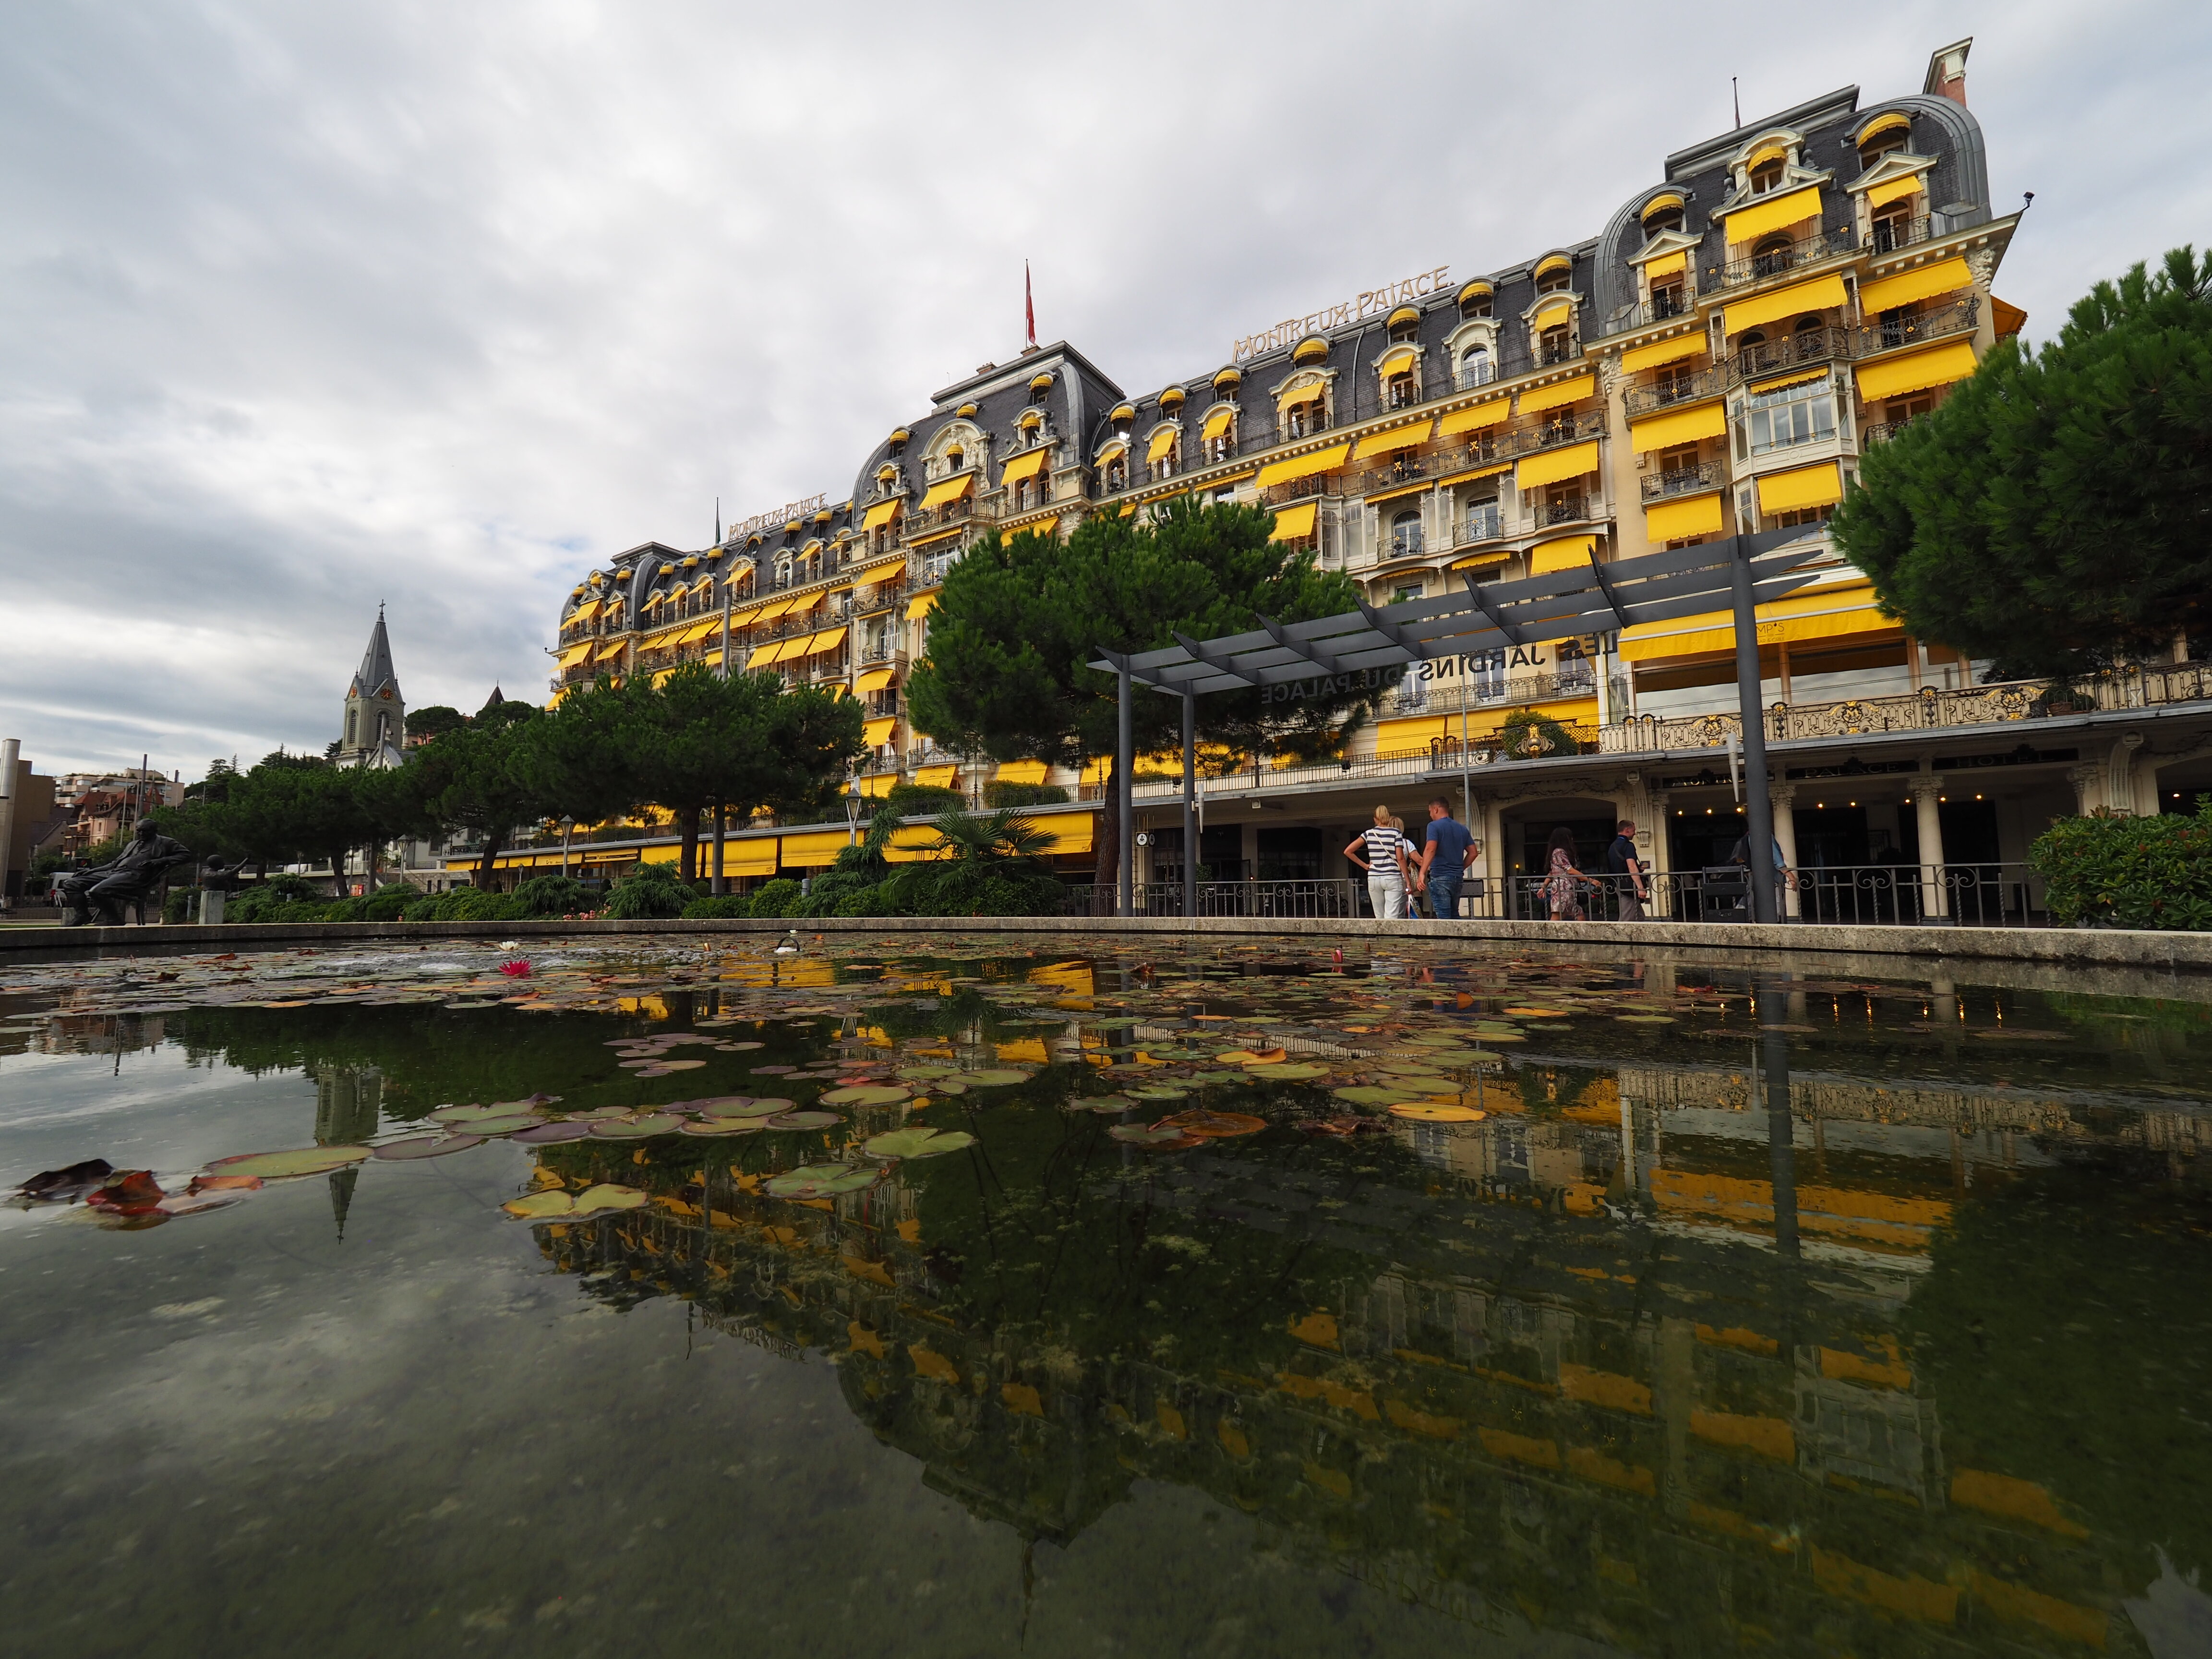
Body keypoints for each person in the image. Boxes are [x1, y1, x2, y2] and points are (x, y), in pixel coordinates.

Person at [1343, 806, 1407, 923]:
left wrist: (1365, 866)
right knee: (1392, 916)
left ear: (1375, 819)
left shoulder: (1368, 834)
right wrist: (1408, 881)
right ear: (1388, 817)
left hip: (1374, 877)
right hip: (1392, 877)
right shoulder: (1396, 833)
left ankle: (1381, 935)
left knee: (1379, 917)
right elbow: (1401, 858)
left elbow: (1348, 851)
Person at [1418, 797, 1478, 921]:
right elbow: (1473, 853)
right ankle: (1459, 934)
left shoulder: (1433, 826)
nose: (1430, 815)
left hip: (1440, 876)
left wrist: (1422, 872)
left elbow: (1430, 849)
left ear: (1436, 809)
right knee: (1454, 914)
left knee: (1444, 916)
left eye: (1430, 811)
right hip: (1457, 877)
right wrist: (1460, 868)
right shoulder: (1462, 828)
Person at [1728, 827, 1795, 918]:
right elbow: (1776, 858)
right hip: (1771, 878)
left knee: (1748, 904)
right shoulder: (1765, 835)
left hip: (1755, 876)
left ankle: (1736, 919)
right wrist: (1790, 876)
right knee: (1775, 910)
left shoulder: (1750, 836)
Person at [1539, 825, 1587, 921]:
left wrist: (1544, 887)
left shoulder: (1559, 852)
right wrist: (1591, 880)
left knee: (1579, 915)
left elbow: (1552, 872)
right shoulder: (1559, 852)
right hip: (1563, 890)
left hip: (1567, 890)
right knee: (1558, 917)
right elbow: (1569, 870)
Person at [1605, 819, 1649, 921]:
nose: (1635, 833)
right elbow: (1632, 867)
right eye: (1633, 830)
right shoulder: (1628, 846)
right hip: (1628, 886)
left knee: (1639, 917)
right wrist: (1640, 888)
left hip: (1618, 883)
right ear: (1627, 830)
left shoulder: (1612, 846)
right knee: (1626, 919)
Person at [1390, 815, 1422, 916]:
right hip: (1402, 879)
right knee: (1400, 911)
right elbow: (1420, 860)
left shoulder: (1381, 843)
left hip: (1385, 878)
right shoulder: (1406, 843)